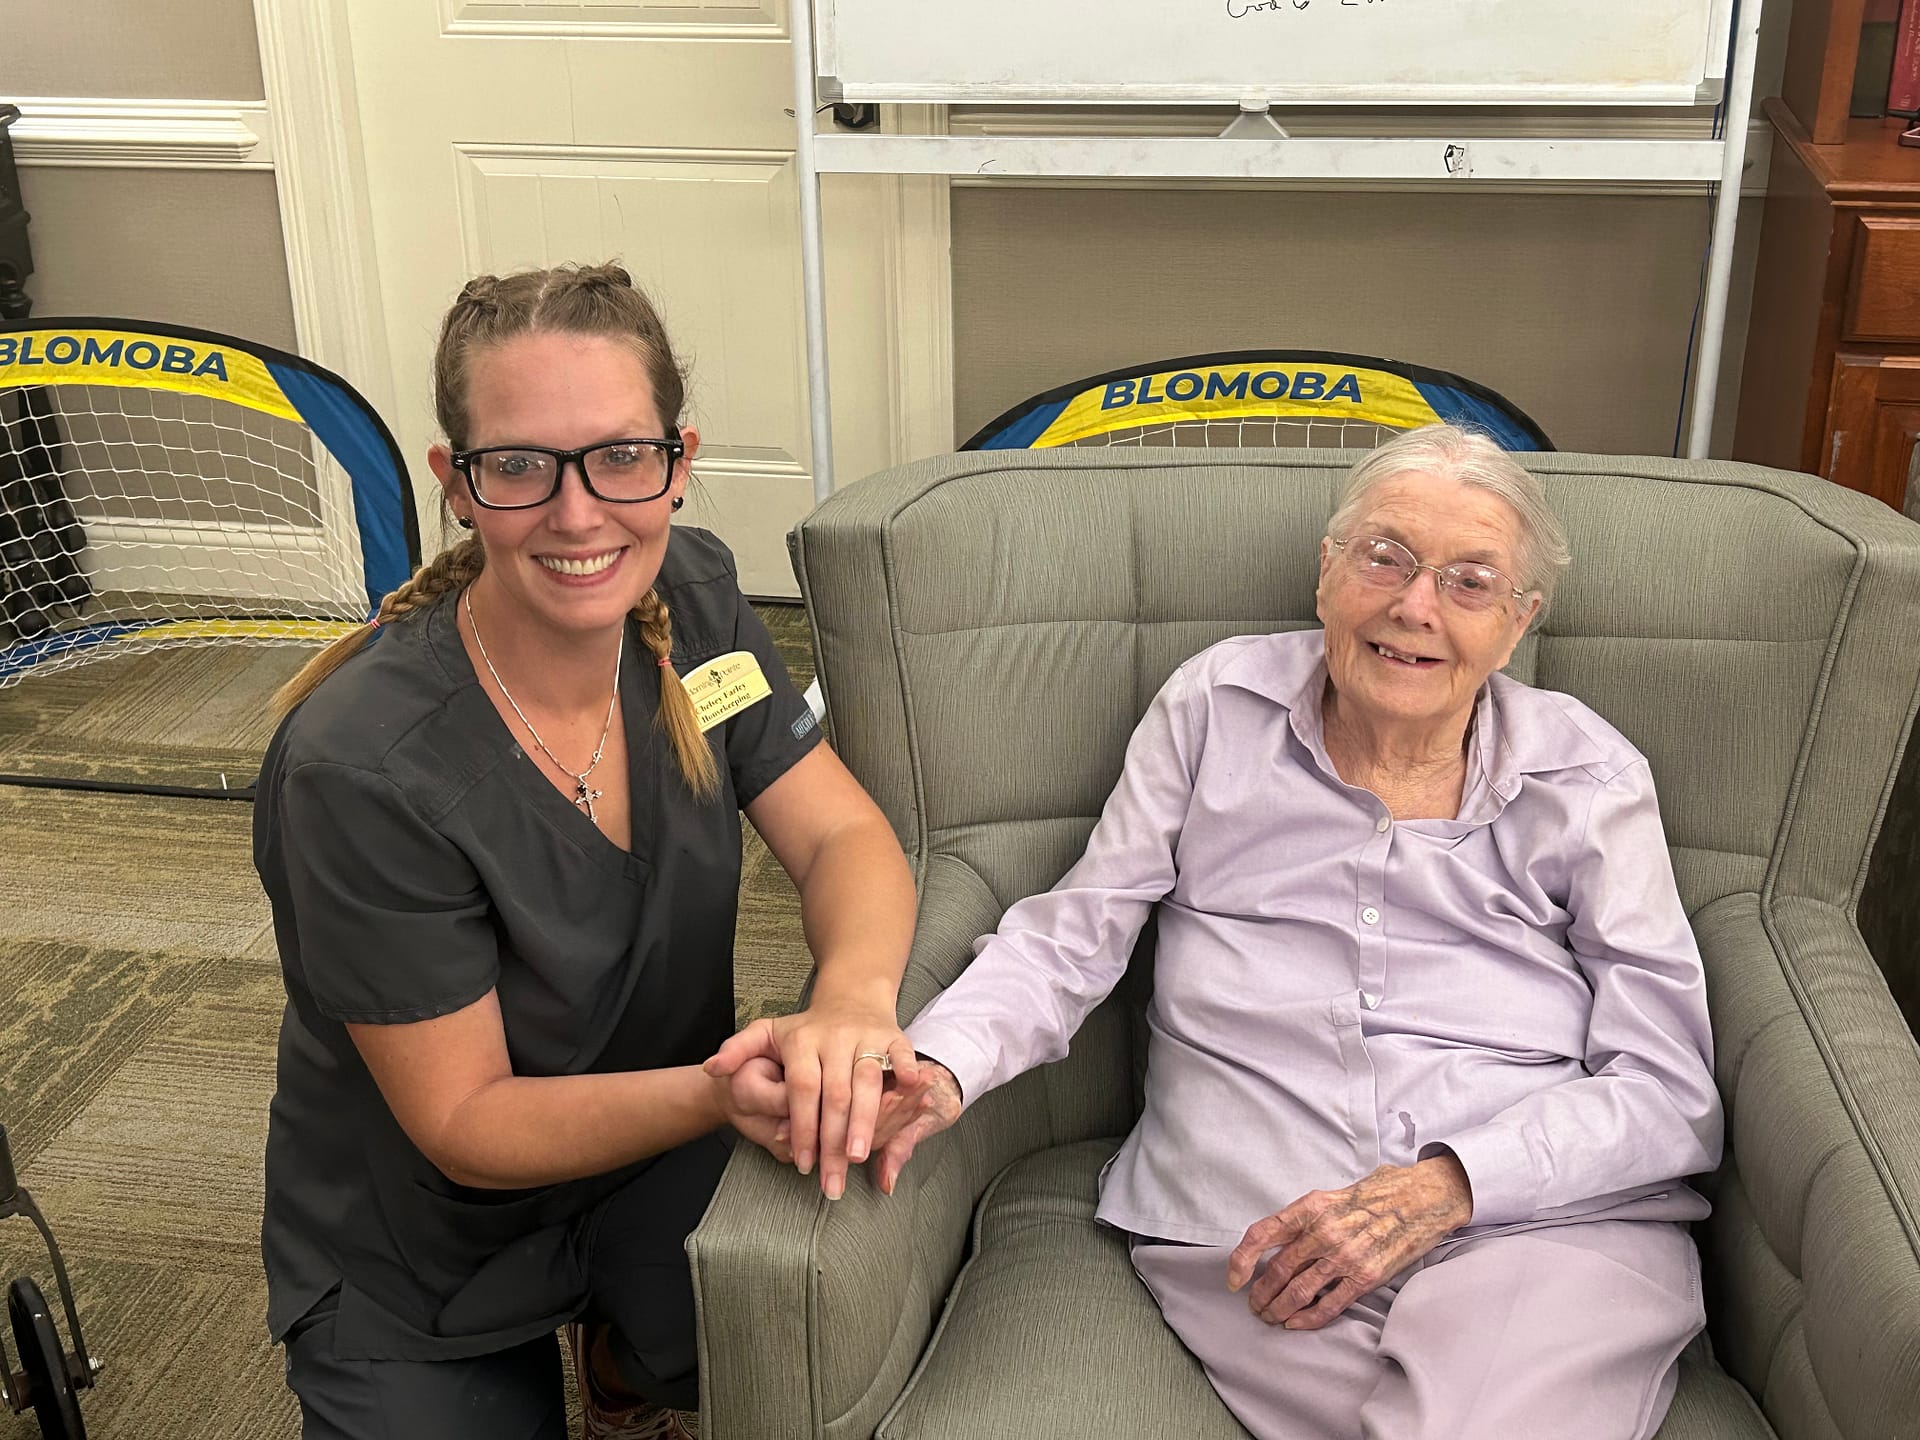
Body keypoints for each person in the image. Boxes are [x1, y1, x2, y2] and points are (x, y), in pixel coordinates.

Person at [857, 425, 1723, 1439]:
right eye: (1385, 557)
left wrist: (1454, 1184)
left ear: (1520, 622)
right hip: (1260, 1235)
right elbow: (1076, 932)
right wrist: (943, 1064)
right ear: (1328, 572)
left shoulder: (1588, 776)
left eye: (1470, 582)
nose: (1415, 606)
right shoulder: (1215, 708)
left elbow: (1670, 1090)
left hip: (1542, 1227)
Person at [254, 262, 920, 1440]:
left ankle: (627, 1348)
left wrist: (853, 1005)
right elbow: (464, 1121)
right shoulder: (360, 766)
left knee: (861, 1301)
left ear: (679, 456)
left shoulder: (693, 601)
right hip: (428, 1238)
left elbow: (843, 837)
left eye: (621, 456)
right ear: (455, 483)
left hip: (655, 1151)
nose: (579, 515)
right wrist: (723, 1091)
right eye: (520, 465)